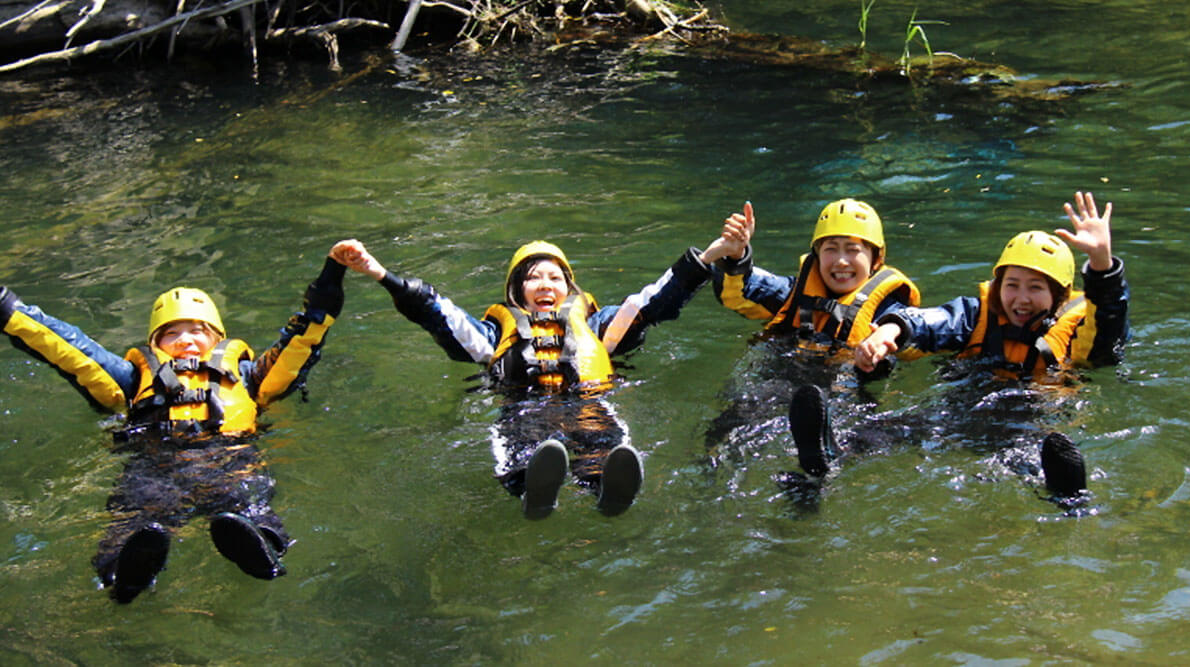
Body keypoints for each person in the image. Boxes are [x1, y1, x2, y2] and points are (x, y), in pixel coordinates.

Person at [0, 243, 350, 603]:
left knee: (248, 499)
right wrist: (6, 306)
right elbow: (68, 348)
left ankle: (259, 544)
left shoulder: (250, 375)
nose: (185, 339)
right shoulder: (132, 379)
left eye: (198, 329)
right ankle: (125, 570)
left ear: (218, 338)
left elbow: (301, 339)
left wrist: (331, 276)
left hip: (228, 456)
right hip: (156, 461)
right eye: (171, 333)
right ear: (155, 343)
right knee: (136, 512)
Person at [331, 238, 712, 519]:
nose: (546, 284)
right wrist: (381, 274)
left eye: (555, 277)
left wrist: (709, 256)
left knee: (601, 436)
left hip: (587, 401)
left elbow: (651, 302)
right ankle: (532, 487)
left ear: (568, 288)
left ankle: (604, 484)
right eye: (533, 278)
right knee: (525, 442)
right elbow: (437, 312)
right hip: (522, 405)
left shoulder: (597, 326)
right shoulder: (495, 333)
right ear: (517, 291)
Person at [853, 191, 1130, 502]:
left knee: (1026, 459)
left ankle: (1069, 499)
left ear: (1059, 296)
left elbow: (1108, 327)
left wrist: (1101, 262)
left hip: (1034, 414)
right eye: (1012, 285)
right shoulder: (976, 316)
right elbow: (931, 321)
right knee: (878, 431)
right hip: (965, 405)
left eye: (1035, 288)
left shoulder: (1073, 333)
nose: (1021, 298)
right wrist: (891, 329)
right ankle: (827, 462)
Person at [698, 199, 921, 478]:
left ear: (876, 260)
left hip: (846, 387)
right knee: (740, 412)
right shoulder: (793, 293)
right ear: (816, 255)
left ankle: (820, 472)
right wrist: (735, 256)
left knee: (867, 435)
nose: (841, 261)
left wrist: (889, 336)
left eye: (853, 250)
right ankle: (710, 463)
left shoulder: (888, 310)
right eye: (830, 249)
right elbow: (741, 293)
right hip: (787, 377)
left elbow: (918, 330)